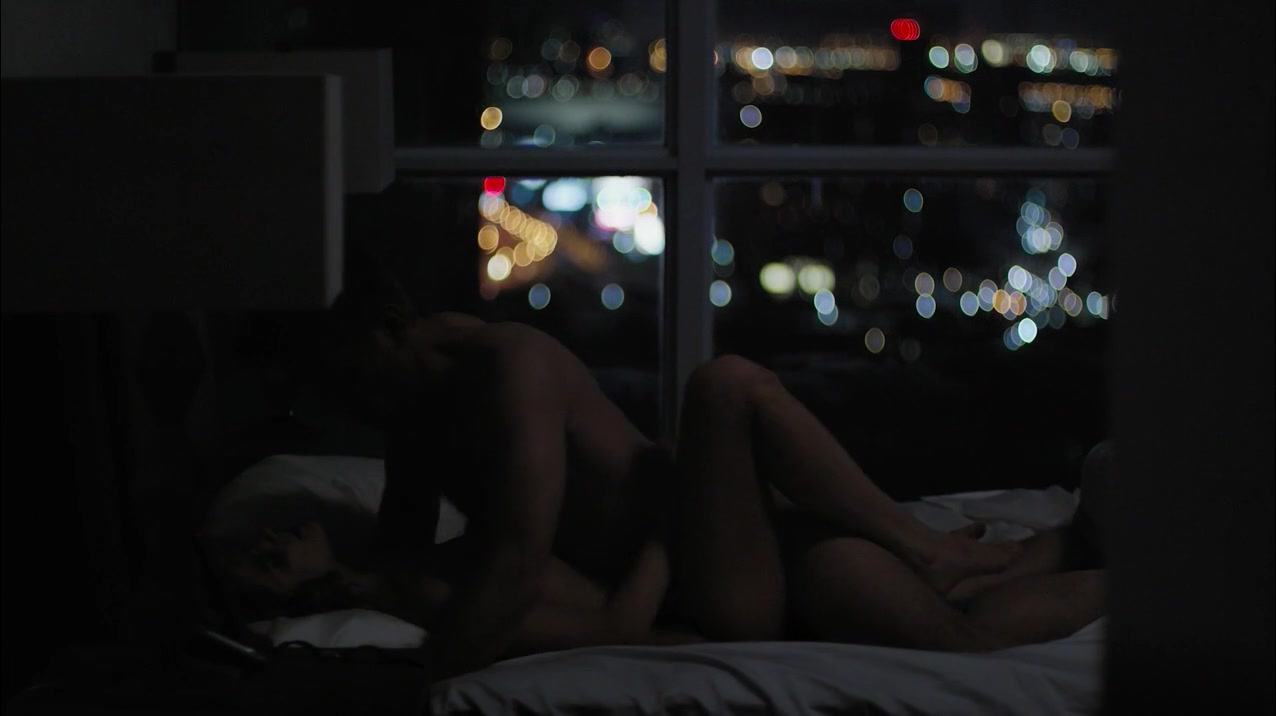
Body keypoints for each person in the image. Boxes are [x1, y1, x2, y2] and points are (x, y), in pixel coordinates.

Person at [226, 266, 1106, 678]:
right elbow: (439, 555)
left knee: (963, 630)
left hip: (737, 553)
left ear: (385, 329)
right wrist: (346, 588)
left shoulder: (509, 365)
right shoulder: (415, 417)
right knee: (725, 387)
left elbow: (513, 554)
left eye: (343, 375)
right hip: (707, 585)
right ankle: (933, 546)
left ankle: (1026, 552)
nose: (344, 400)